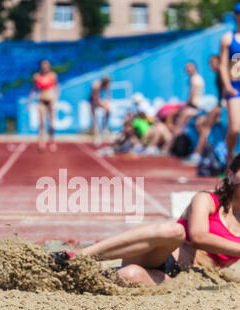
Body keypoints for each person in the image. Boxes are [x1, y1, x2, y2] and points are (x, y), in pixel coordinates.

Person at [75, 154, 240, 286]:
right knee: (174, 231)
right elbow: (198, 237)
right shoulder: (208, 200)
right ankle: (76, 258)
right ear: (231, 175)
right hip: (162, 257)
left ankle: (76, 279)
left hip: (184, 280)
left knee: (129, 275)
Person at [185, 55, 224, 166]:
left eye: (212, 62)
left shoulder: (223, 75)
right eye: (209, 63)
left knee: (204, 125)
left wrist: (217, 108)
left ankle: (198, 153)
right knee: (199, 123)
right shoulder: (218, 76)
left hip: (224, 108)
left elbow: (225, 97)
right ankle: (205, 152)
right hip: (220, 106)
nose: (210, 66)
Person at [220, 2, 240, 165]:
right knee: (234, 129)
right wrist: (227, 86)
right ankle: (229, 158)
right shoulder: (228, 38)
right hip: (235, 88)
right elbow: (222, 65)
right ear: (235, 16)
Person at [29, 60, 59, 152]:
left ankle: (52, 140)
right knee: (42, 123)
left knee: (51, 123)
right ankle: (41, 143)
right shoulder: (37, 76)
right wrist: (29, 101)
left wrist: (56, 98)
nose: (45, 67)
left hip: (50, 100)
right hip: (41, 100)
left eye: (46, 65)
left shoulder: (53, 75)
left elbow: (57, 87)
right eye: (43, 65)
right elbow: (34, 89)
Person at [172, 62, 205, 138]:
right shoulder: (197, 78)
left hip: (194, 107)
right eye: (186, 68)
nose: (187, 70)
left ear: (194, 67)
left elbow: (192, 96)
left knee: (179, 123)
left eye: (189, 67)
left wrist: (185, 106)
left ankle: (171, 142)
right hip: (194, 106)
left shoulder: (194, 79)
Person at [90, 76, 111, 145]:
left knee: (108, 110)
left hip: (98, 101)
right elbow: (95, 99)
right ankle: (96, 137)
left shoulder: (106, 86)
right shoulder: (96, 86)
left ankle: (104, 127)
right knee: (95, 120)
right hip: (92, 102)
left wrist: (106, 103)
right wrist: (103, 105)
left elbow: (108, 96)